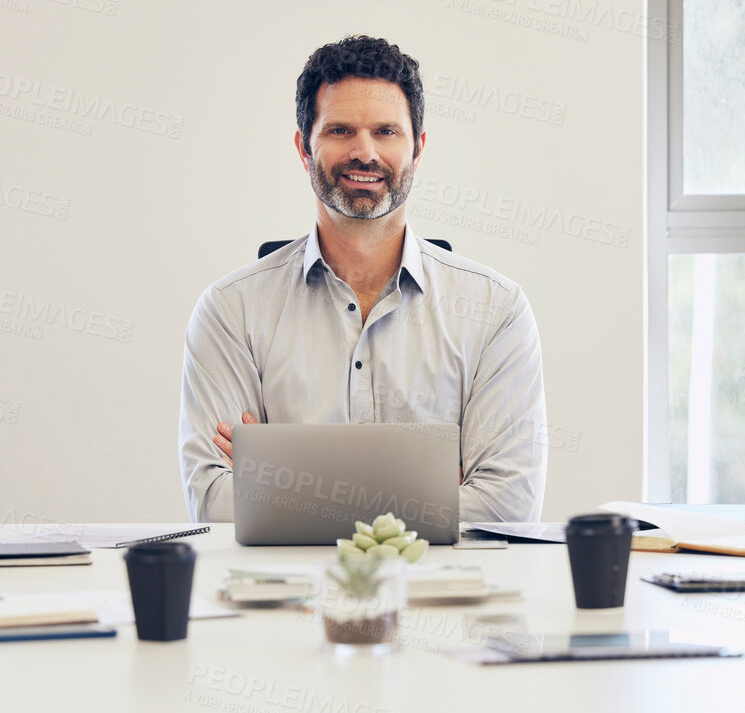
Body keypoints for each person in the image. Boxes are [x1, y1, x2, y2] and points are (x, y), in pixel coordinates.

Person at [178, 35, 547, 524]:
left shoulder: (496, 310)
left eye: (386, 132)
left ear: (417, 148)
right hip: (285, 597)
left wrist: (280, 482)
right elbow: (213, 502)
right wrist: (428, 496)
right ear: (304, 147)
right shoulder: (232, 310)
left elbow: (508, 505)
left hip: (442, 597)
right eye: (340, 130)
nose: (364, 152)